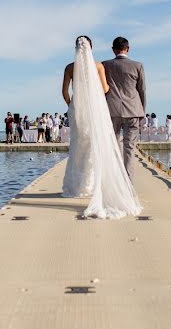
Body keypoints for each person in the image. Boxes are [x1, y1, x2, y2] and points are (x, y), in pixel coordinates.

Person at [61, 36, 142, 219]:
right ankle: (92, 185)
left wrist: (71, 105)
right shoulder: (98, 66)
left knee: (78, 145)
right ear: (91, 48)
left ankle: (76, 186)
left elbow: (65, 91)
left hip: (77, 110)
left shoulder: (69, 67)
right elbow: (105, 89)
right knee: (94, 145)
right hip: (95, 110)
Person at [102, 36, 147, 183]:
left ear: (113, 50)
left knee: (112, 146)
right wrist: (142, 112)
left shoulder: (104, 65)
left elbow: (101, 89)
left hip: (111, 110)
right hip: (133, 111)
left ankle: (114, 182)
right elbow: (142, 91)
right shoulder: (138, 66)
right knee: (129, 148)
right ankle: (128, 183)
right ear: (128, 49)